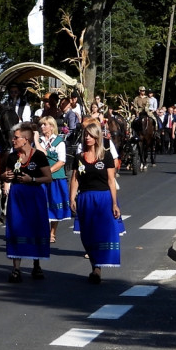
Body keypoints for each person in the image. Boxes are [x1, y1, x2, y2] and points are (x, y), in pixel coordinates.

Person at [70, 119, 122, 284]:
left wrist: (114, 203)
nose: (87, 138)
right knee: (87, 234)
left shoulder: (105, 156)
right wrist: (72, 197)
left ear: (97, 137)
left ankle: (97, 268)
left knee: (101, 232)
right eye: (86, 135)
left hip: (103, 197)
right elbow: (75, 179)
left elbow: (111, 180)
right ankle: (94, 262)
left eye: (91, 135)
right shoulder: (79, 157)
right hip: (85, 198)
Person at [2, 123, 52, 282]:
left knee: (35, 227)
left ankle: (36, 265)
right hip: (17, 196)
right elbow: (4, 175)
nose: (13, 140)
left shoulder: (38, 156)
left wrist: (33, 179)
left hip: (34, 195)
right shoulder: (12, 156)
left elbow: (48, 177)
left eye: (16, 137)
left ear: (26, 139)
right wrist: (6, 177)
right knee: (16, 228)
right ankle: (16, 269)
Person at [38, 116, 70, 244]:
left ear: (52, 126)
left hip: (55, 177)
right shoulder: (38, 141)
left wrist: (49, 172)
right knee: (42, 204)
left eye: (44, 124)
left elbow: (61, 161)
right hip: (41, 177)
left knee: (54, 204)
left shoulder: (59, 141)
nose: (42, 127)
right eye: (41, 125)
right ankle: (44, 231)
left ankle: (52, 232)